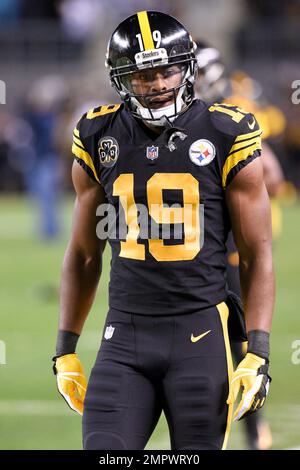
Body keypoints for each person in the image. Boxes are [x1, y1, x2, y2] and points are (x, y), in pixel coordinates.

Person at [52, 10, 274, 450]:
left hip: (201, 335)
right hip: (124, 338)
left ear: (187, 68)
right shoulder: (99, 133)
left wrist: (259, 349)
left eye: (166, 71)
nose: (156, 84)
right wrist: (65, 347)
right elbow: (82, 255)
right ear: (120, 79)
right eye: (142, 76)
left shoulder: (227, 130)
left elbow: (255, 254)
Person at [194, 41, 284, 450]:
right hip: (185, 249)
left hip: (226, 245)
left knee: (237, 339)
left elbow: (273, 175)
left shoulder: (230, 114)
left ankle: (251, 426)